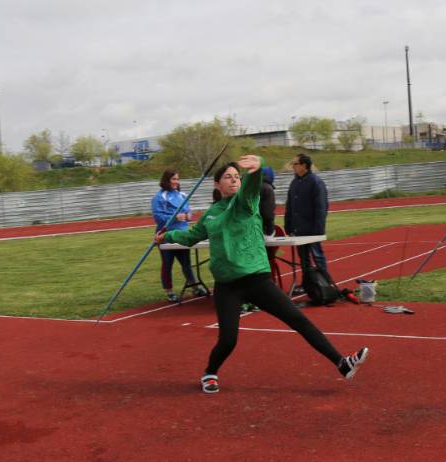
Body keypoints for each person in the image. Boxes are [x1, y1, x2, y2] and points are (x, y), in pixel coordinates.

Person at [154, 155, 368, 394]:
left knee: (298, 320)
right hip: (227, 285)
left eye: (237, 177)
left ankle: (342, 363)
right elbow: (191, 236)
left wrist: (256, 170)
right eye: (228, 177)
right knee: (228, 339)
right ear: (217, 184)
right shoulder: (211, 213)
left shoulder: (245, 203)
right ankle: (210, 372)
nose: (234, 180)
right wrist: (166, 236)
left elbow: (250, 189)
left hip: (256, 279)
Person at [151, 169, 208, 302]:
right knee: (167, 264)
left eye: (177, 179)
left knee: (186, 263)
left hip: (182, 235)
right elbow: (158, 217)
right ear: (167, 180)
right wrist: (175, 217)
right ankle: (169, 291)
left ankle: (194, 286)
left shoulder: (182, 195)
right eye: (174, 179)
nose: (176, 182)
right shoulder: (159, 197)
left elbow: (188, 213)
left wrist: (188, 216)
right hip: (165, 236)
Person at [284, 154, 328, 293]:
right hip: (299, 229)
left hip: (312, 229)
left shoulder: (316, 182)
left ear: (304, 166)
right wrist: (288, 225)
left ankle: (325, 283)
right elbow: (289, 206)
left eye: (295, 163)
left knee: (317, 256)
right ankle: (307, 284)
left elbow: (321, 208)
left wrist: (318, 230)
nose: (293, 166)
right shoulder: (294, 183)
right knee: (303, 259)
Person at [259, 166, 276, 237]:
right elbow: (268, 212)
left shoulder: (254, 186)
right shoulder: (268, 188)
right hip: (263, 228)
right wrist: (270, 229)